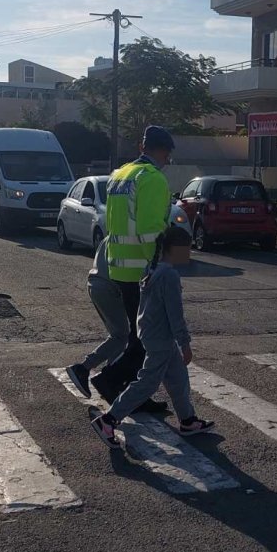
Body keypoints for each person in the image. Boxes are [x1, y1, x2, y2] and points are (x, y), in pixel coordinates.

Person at [90, 227, 214, 448]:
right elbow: (175, 313)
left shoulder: (152, 267)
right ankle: (108, 420)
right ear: (175, 249)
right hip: (161, 337)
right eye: (187, 249)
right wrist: (185, 343)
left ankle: (188, 420)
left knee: (178, 378)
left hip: (151, 333)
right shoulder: (169, 275)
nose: (189, 254)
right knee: (147, 383)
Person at [89, 125, 175, 411]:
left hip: (119, 267)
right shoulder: (152, 178)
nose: (168, 161)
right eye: (168, 155)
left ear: (142, 147)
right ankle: (110, 381)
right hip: (142, 270)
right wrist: (157, 269)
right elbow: (150, 230)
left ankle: (133, 394)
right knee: (148, 341)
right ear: (164, 152)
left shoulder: (120, 174)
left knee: (139, 338)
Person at [63, 239, 128, 398]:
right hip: (109, 287)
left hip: (96, 282)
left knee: (118, 336)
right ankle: (84, 368)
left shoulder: (114, 235)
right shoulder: (129, 237)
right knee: (121, 336)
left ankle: (111, 381)